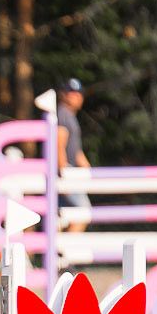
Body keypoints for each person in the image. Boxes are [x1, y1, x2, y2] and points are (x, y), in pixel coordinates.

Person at [57, 77, 91, 233]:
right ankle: (67, 248)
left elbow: (75, 150)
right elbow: (59, 145)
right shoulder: (63, 115)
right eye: (72, 93)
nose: (77, 97)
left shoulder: (68, 115)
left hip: (69, 172)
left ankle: (59, 247)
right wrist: (64, 172)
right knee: (83, 213)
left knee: (60, 219)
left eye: (79, 93)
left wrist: (87, 169)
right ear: (63, 94)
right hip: (67, 172)